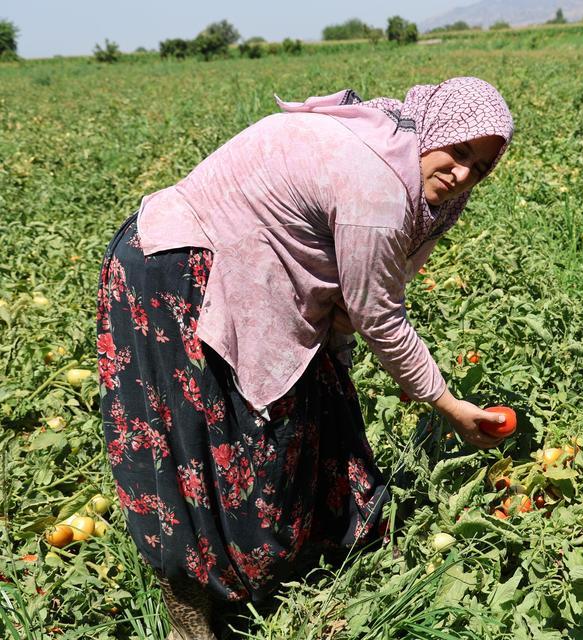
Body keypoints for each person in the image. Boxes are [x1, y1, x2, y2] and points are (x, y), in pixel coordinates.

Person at [95, 77, 514, 639]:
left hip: (224, 258)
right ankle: (192, 615)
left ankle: (299, 560)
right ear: (434, 130)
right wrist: (448, 405)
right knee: (195, 446)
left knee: (308, 403)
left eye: (480, 168)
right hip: (175, 270)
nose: (463, 174)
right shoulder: (381, 187)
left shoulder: (394, 148)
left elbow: (347, 297)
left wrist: (334, 355)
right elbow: (378, 317)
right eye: (459, 152)